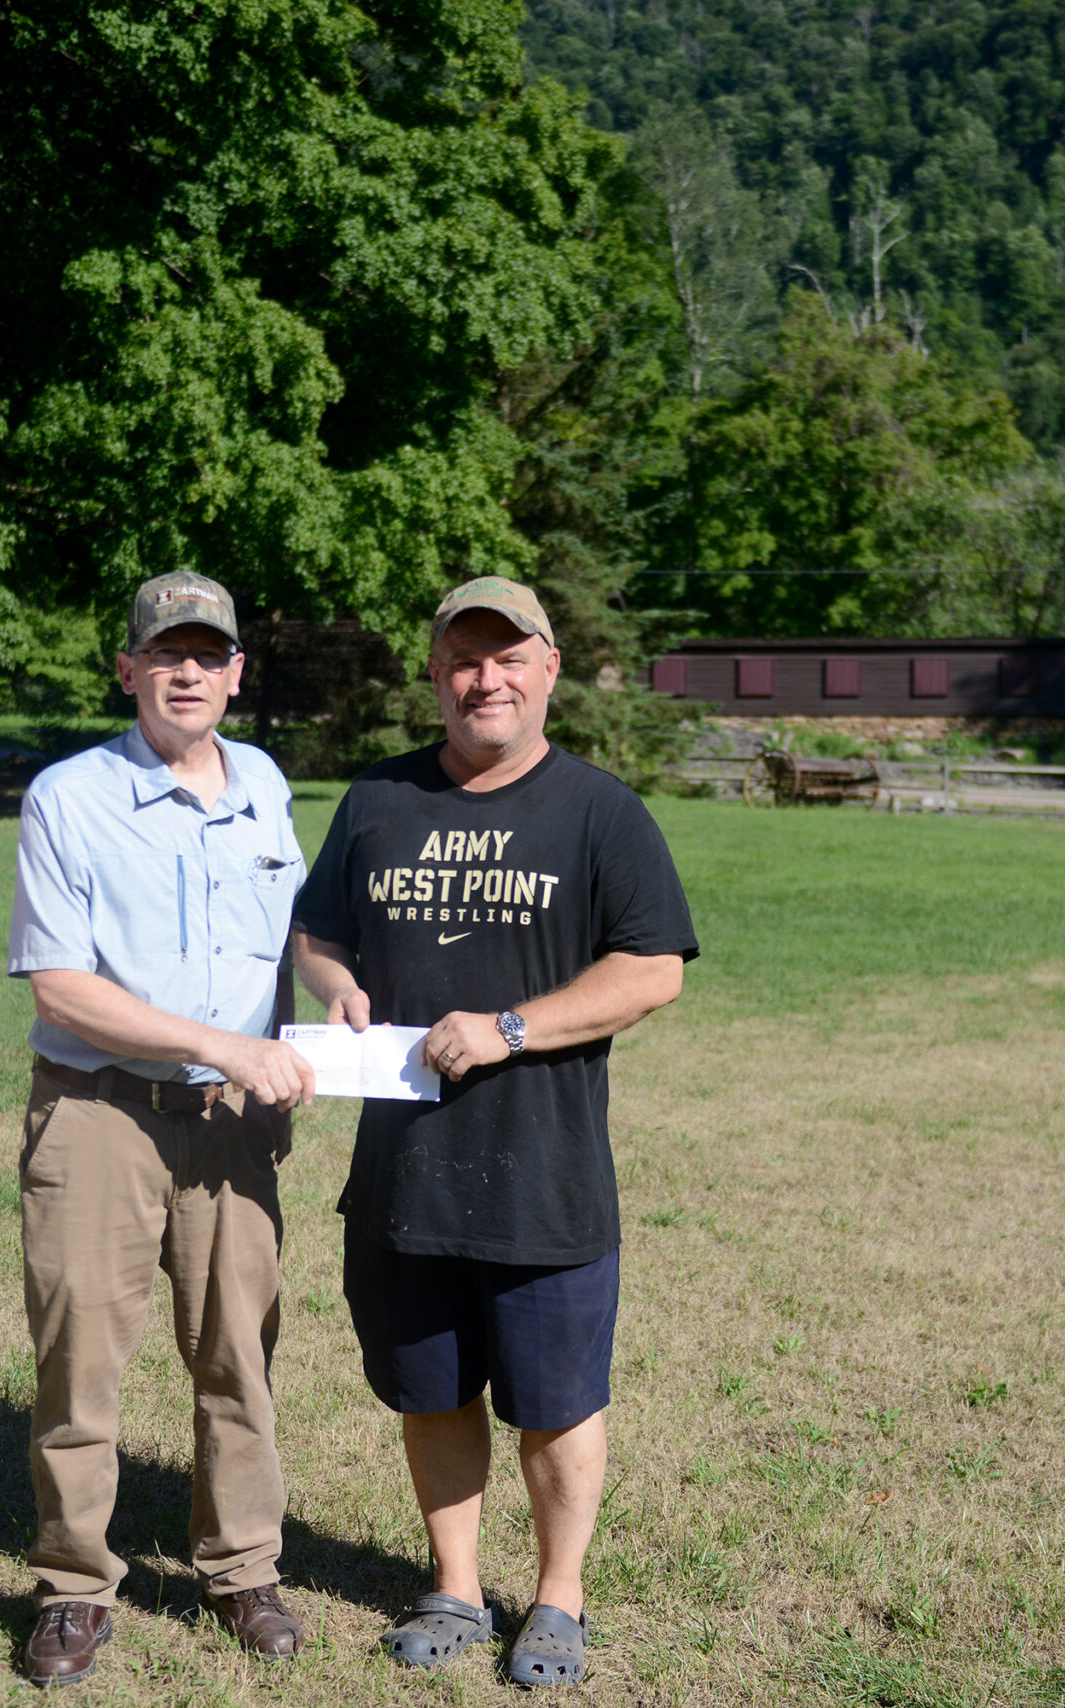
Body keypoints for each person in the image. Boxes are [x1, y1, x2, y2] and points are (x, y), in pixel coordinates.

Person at [292, 575, 696, 1688]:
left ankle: (558, 1598)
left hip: (546, 1174)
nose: (487, 678)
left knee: (556, 1406)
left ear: (547, 670)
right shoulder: (376, 800)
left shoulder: (601, 811)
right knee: (431, 1392)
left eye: (509, 657)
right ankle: (457, 1585)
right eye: (465, 658)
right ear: (435, 675)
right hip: (404, 1175)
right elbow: (318, 933)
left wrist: (513, 1028)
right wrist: (331, 986)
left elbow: (652, 968)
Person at [4, 572, 319, 1683]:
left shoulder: (266, 785)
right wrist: (229, 1046)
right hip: (101, 1112)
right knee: (80, 1356)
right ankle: (74, 1585)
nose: (189, 671)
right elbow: (60, 988)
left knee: (240, 1349)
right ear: (128, 668)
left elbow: (292, 932)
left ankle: (241, 1568)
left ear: (236, 673)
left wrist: (331, 1000)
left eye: (210, 653)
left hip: (232, 1126)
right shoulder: (68, 796)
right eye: (166, 652)